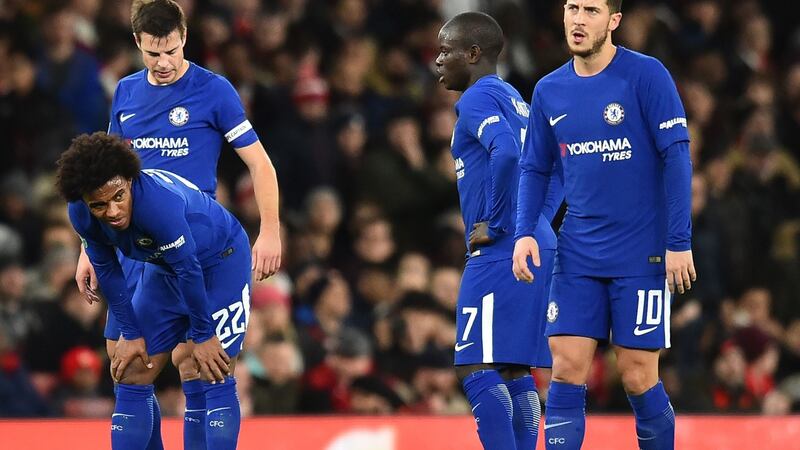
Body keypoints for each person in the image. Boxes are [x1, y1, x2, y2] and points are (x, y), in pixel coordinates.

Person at [73, 1, 281, 447]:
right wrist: (88, 249)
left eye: (171, 50)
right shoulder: (126, 92)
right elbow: (102, 172)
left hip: (196, 236)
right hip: (136, 239)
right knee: (127, 363)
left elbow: (260, 164)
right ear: (137, 43)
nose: (163, 62)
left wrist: (270, 230)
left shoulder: (214, 90)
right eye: (153, 53)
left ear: (184, 37)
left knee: (199, 362)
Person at [511, 1, 696, 449]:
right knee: (565, 368)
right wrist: (524, 232)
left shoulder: (646, 75)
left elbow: (676, 157)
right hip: (577, 252)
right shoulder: (549, 89)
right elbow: (535, 167)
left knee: (637, 374)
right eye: (572, 7)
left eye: (591, 10)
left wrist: (678, 241)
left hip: (641, 252)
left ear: (614, 21)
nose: (578, 19)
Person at [57, 132, 251, 450]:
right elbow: (107, 268)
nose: (113, 211)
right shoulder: (79, 213)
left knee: (214, 368)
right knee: (132, 368)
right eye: (99, 205)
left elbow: (190, 269)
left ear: (130, 181)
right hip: (164, 268)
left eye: (119, 196)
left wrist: (203, 335)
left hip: (220, 263)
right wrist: (131, 332)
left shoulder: (157, 204)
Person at [436, 12, 563, 449]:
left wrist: (500, 221)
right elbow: (556, 167)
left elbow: (505, 152)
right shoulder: (517, 100)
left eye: (446, 50)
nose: (438, 60)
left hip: (502, 248)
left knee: (474, 364)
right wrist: (537, 221)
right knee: (512, 369)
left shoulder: (477, 99)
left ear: (473, 54)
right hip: (535, 243)